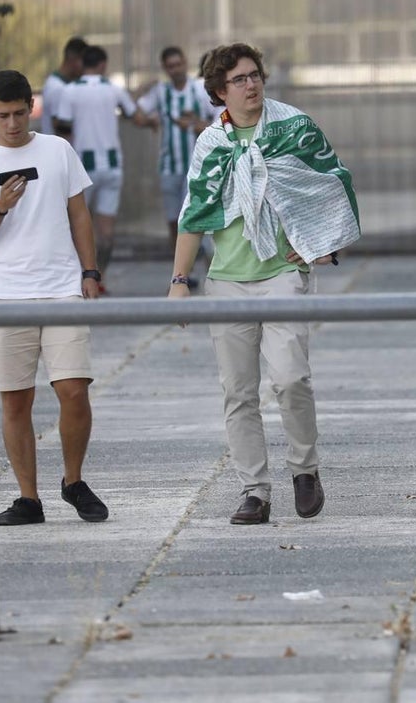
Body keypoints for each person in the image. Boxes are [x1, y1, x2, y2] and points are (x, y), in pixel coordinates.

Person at [169, 42, 360, 525]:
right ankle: (254, 490)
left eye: (255, 75)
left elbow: (332, 181)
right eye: (239, 79)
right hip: (227, 279)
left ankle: (305, 470)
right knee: (238, 391)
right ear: (219, 91)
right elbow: (193, 213)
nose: (251, 84)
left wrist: (325, 245)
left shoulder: (293, 126)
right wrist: (178, 280)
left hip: (281, 272)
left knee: (291, 377)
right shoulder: (211, 144)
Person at [0, 69, 108, 526]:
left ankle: (73, 481)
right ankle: (28, 498)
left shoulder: (58, 150)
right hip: (6, 294)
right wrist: (0, 206)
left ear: (31, 108)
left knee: (74, 389)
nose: (13, 124)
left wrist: (90, 271)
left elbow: (79, 215)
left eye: (20, 113)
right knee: (15, 400)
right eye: (3, 116)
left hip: (62, 287)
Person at [54, 45, 147, 285]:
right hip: (112, 165)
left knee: (78, 222)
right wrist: (151, 119)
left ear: (82, 64)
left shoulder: (70, 91)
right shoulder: (113, 89)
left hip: (82, 166)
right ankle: (100, 278)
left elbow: (62, 128)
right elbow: (135, 116)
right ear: (103, 65)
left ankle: (80, 277)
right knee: (105, 230)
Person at [135, 46, 217, 246]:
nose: (176, 70)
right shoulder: (160, 92)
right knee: (173, 221)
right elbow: (136, 113)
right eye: (171, 66)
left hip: (195, 166)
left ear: (185, 63)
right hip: (168, 166)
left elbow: (219, 120)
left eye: (179, 64)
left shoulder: (198, 89)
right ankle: (180, 274)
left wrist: (199, 125)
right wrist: (149, 120)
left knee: (190, 219)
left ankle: (198, 267)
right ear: (164, 68)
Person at [39, 37, 88, 135]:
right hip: (58, 149)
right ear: (74, 60)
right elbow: (60, 128)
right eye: (85, 62)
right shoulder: (57, 88)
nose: (86, 67)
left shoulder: (61, 84)